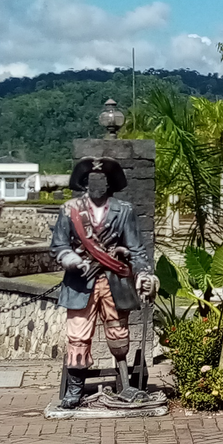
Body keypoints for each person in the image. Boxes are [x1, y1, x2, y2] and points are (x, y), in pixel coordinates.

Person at [52, 157, 159, 408]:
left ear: (110, 183)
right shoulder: (70, 210)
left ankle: (125, 382)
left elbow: (137, 250)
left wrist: (144, 275)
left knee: (118, 334)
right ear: (85, 182)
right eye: (92, 179)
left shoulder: (125, 210)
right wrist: (70, 259)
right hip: (80, 283)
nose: (97, 183)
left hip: (114, 281)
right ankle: (75, 390)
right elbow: (58, 244)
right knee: (77, 335)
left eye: (102, 179)